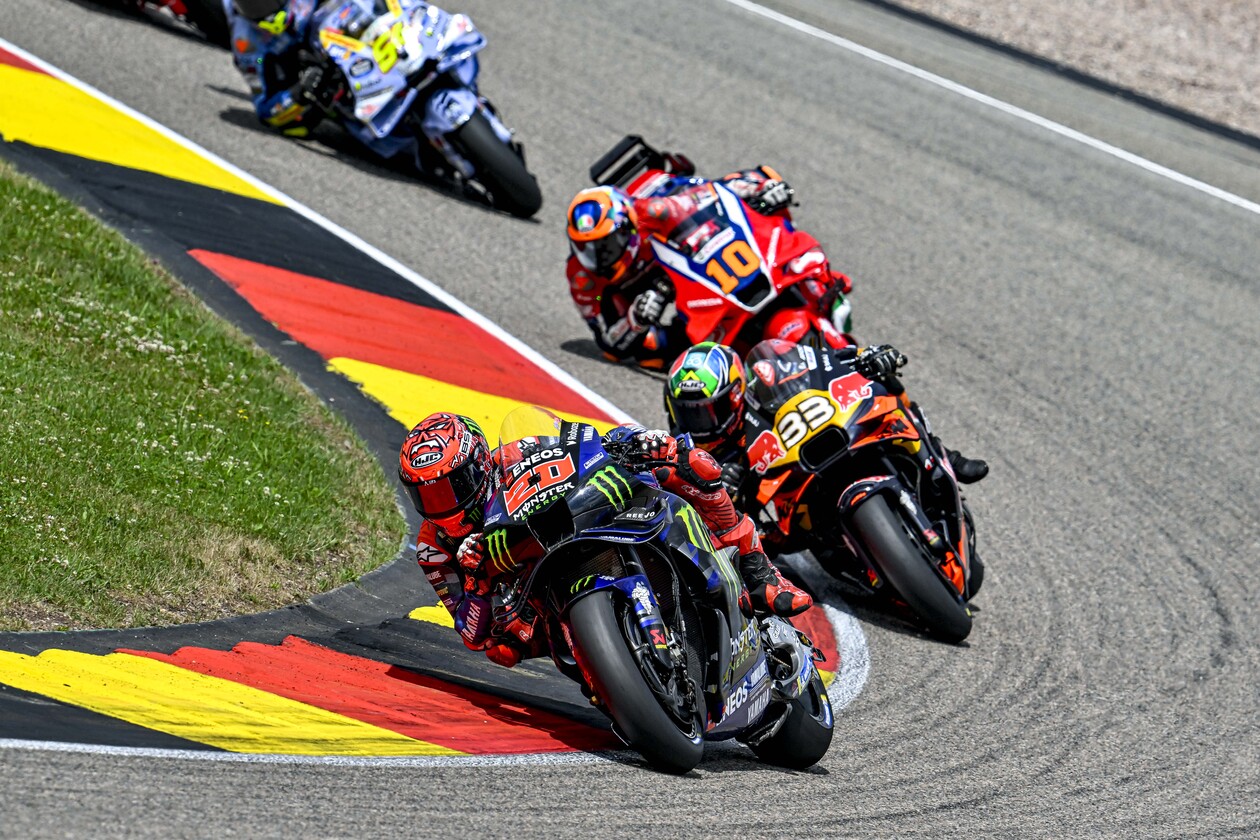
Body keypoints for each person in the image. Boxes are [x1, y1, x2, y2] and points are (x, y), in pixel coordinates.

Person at [398, 412, 813, 668]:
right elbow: (472, 634)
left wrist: (635, 441)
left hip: (575, 525)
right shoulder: (434, 549)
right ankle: (603, 667)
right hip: (530, 598)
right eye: (427, 497)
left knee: (688, 465)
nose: (442, 506)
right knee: (501, 650)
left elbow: (583, 445)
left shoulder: (515, 454)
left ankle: (759, 569)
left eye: (450, 488)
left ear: (479, 465)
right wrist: (475, 582)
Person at [566, 165, 853, 369]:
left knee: (799, 265)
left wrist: (762, 189)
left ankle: (824, 302)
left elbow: (718, 189)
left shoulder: (653, 212)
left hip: (703, 278)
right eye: (586, 247)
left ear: (628, 229)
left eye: (606, 245)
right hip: (658, 303)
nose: (597, 257)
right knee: (656, 352)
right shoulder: (585, 278)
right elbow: (607, 340)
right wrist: (636, 319)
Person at [663, 341, 989, 509]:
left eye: (708, 410)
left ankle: (942, 454)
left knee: (883, 380)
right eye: (690, 413)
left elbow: (823, 362)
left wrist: (866, 356)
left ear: (736, 393)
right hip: (782, 508)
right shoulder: (687, 449)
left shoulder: (764, 377)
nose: (700, 422)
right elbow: (687, 504)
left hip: (814, 444)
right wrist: (718, 488)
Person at [227, 0, 340, 138]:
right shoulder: (246, 47)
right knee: (292, 124)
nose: (264, 8)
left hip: (327, 30)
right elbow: (265, 110)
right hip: (298, 65)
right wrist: (300, 90)